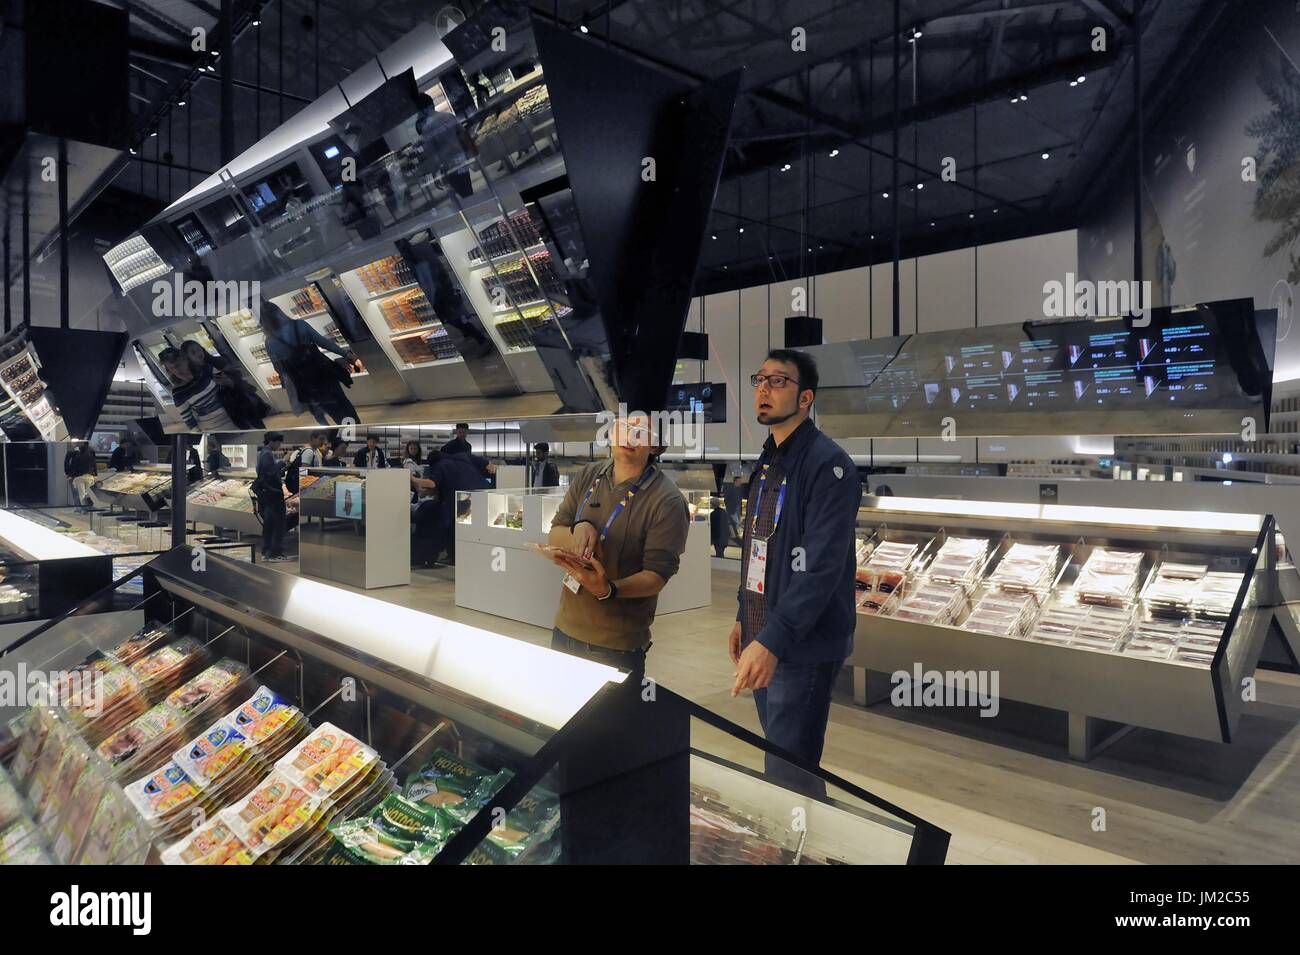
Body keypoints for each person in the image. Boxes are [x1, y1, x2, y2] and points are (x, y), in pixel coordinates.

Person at [728, 349, 862, 795]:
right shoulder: (768, 461)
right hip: (763, 632)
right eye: (760, 379)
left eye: (778, 381)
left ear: (805, 398)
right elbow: (756, 546)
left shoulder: (829, 465)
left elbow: (821, 569)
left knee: (790, 771)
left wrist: (771, 639)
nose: (763, 389)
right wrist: (742, 615)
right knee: (784, 760)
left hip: (798, 645)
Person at [535, 412, 689, 679]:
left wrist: (609, 590)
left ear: (656, 446)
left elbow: (657, 575)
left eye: (642, 432)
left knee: (609, 721)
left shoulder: (666, 501)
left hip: (615, 645)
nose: (630, 436)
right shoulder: (589, 475)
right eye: (625, 427)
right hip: (563, 630)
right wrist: (578, 528)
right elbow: (555, 533)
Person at [259, 302, 360, 426]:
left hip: (305, 381)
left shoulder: (270, 342)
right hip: (323, 372)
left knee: (331, 409)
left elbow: (280, 369)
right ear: (279, 312)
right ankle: (358, 428)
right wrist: (345, 354)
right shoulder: (299, 325)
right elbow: (323, 342)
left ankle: (347, 433)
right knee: (342, 401)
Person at [416, 445, 490, 566]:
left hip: (463, 499)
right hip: (483, 495)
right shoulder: (462, 456)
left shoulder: (440, 465)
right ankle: (476, 557)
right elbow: (483, 462)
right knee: (477, 529)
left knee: (454, 528)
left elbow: (432, 483)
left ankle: (455, 558)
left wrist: (413, 479)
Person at [181, 340, 267, 429]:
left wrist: (229, 382)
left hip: (240, 399)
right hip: (225, 409)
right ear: (187, 357)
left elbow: (237, 376)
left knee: (257, 426)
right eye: (193, 352)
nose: (198, 353)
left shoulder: (217, 362)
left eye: (198, 349)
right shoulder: (194, 375)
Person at [160, 346, 238, 432]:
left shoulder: (207, 370)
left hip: (236, 418)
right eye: (171, 368)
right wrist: (199, 434)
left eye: (178, 365)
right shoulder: (178, 392)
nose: (176, 370)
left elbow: (231, 384)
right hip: (214, 429)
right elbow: (188, 419)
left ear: (186, 361)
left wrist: (228, 382)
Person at [253, 432, 290, 562]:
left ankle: (267, 551)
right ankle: (275, 553)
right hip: (272, 495)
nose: (279, 445)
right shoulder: (267, 454)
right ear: (271, 441)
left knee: (269, 524)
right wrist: (282, 463)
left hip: (266, 495)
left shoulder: (262, 453)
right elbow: (269, 473)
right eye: (278, 442)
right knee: (278, 524)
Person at [65, 442, 97, 511]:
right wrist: (95, 474)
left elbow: (69, 463)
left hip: (77, 475)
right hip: (83, 474)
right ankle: (83, 507)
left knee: (80, 493)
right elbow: (94, 463)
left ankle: (81, 508)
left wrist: (68, 473)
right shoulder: (90, 451)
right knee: (83, 493)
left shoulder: (74, 452)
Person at [723, 474, 746, 546]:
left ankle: (736, 538)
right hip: (732, 510)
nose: (740, 483)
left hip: (738, 509)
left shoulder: (740, 489)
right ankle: (737, 540)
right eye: (739, 481)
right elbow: (726, 500)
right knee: (736, 524)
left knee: (737, 523)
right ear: (735, 482)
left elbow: (740, 500)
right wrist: (729, 509)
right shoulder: (730, 489)